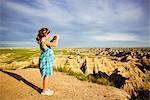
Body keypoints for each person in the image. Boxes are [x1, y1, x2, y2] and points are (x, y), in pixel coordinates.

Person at [36, 27, 59, 96]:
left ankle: (45, 88)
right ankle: (44, 91)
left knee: (47, 75)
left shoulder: (43, 40)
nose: (49, 35)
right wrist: (57, 38)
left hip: (46, 60)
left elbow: (49, 44)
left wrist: (53, 39)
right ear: (45, 34)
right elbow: (55, 45)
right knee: (46, 75)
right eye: (48, 34)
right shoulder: (44, 41)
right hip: (46, 61)